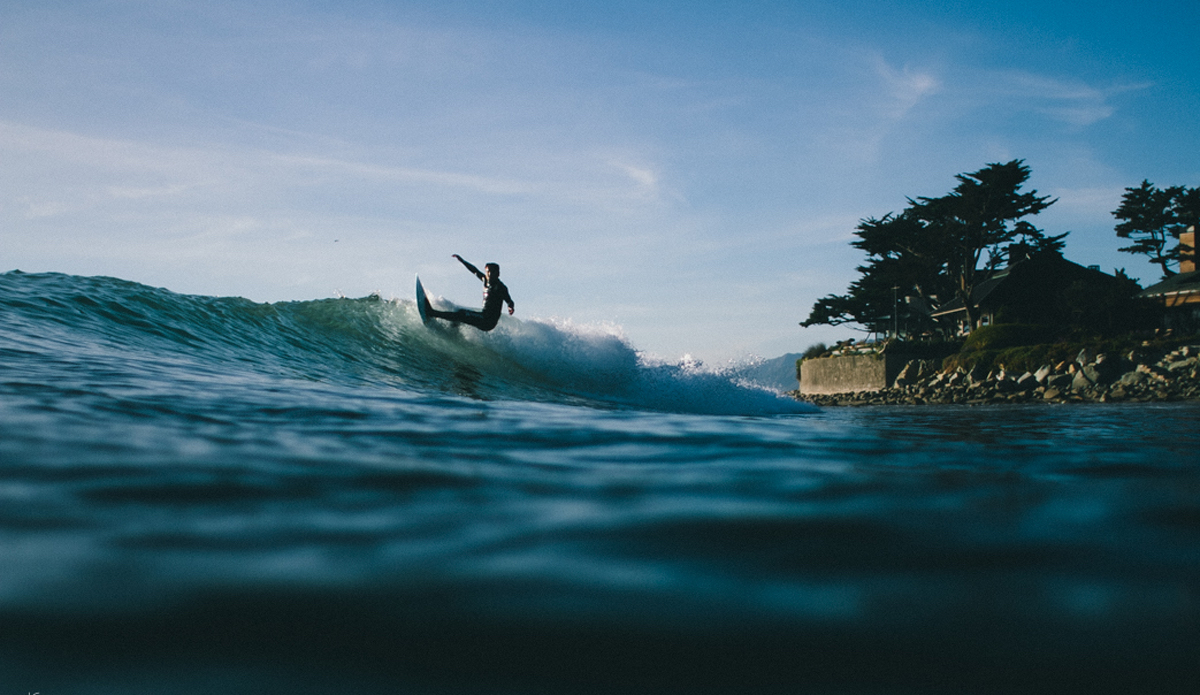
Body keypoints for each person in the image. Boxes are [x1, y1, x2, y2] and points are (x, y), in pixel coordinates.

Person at [423, 254, 514, 331]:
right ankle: (452, 331)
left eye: (492, 272)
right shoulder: (485, 280)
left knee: (462, 315)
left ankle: (432, 313)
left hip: (488, 321)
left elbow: (509, 300)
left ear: (498, 274)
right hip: (483, 316)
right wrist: (462, 261)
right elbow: (474, 270)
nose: (489, 274)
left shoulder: (501, 288)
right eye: (487, 272)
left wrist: (510, 306)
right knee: (461, 312)